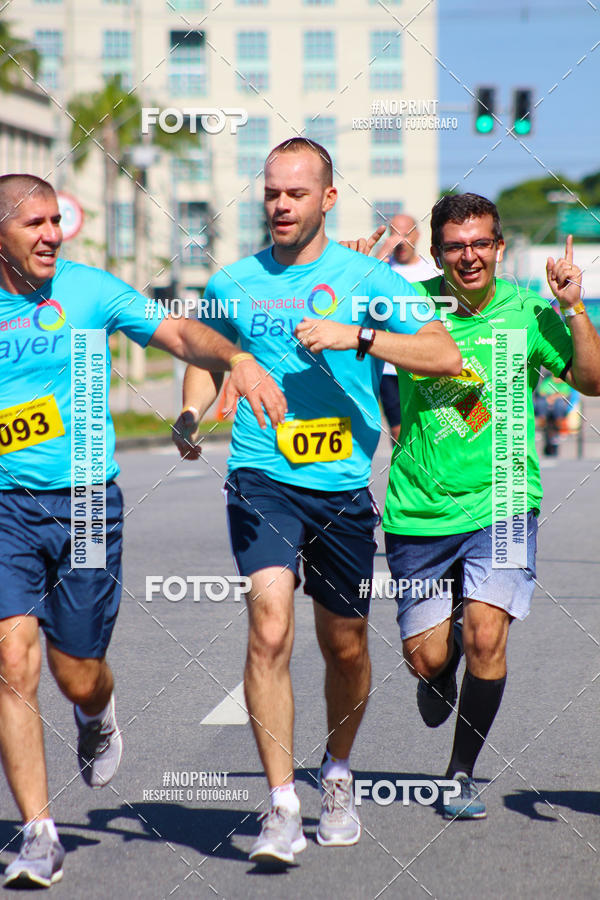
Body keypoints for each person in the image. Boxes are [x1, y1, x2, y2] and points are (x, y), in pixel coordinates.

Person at [172, 138, 462, 865]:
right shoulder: (234, 281)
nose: (279, 204)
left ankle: (337, 773)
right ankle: (280, 806)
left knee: (346, 645)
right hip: (261, 474)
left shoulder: (368, 279)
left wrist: (358, 335)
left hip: (341, 489)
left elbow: (444, 354)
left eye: (295, 194)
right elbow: (207, 356)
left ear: (327, 200)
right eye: (271, 192)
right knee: (269, 628)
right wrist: (190, 414)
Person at [0, 173, 285, 888]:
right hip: (5, 507)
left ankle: (96, 710)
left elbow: (178, 331)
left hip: (87, 501)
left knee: (75, 671)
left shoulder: (89, 290)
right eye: (34, 224)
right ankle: (39, 834)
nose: (51, 235)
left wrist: (233, 356)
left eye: (55, 221)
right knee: (11, 660)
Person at [318, 192, 600, 819]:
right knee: (428, 658)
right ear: (437, 252)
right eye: (455, 246)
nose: (468, 256)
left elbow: (593, 380)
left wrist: (574, 308)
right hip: (419, 505)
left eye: (480, 244)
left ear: (499, 247)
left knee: (486, 637)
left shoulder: (528, 311)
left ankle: (459, 774)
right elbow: (326, 323)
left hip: (505, 496)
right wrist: (349, 273)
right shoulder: (408, 305)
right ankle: (438, 669)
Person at [375, 214, 439, 443]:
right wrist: (383, 251)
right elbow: (361, 283)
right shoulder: (382, 269)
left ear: (417, 235)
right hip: (389, 368)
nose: (400, 241)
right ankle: (403, 466)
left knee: (427, 429)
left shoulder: (431, 270)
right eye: (394, 234)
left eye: (405, 234)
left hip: (423, 363)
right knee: (398, 432)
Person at [534, 372, 580, 456]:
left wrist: (553, 397)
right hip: (547, 405)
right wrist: (550, 398)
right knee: (541, 403)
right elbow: (541, 391)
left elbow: (565, 393)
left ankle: (560, 426)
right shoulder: (548, 381)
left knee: (559, 404)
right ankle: (541, 422)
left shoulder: (564, 383)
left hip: (559, 406)